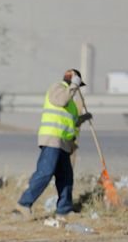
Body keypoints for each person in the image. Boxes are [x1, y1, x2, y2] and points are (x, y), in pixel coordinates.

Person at [15, 69, 92, 219]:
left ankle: (64, 209)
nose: (77, 89)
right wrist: (74, 85)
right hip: (52, 139)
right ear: (71, 79)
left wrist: (82, 118)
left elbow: (71, 122)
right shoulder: (58, 88)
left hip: (64, 142)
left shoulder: (70, 99)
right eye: (77, 84)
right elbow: (61, 100)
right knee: (45, 172)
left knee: (66, 177)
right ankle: (23, 205)